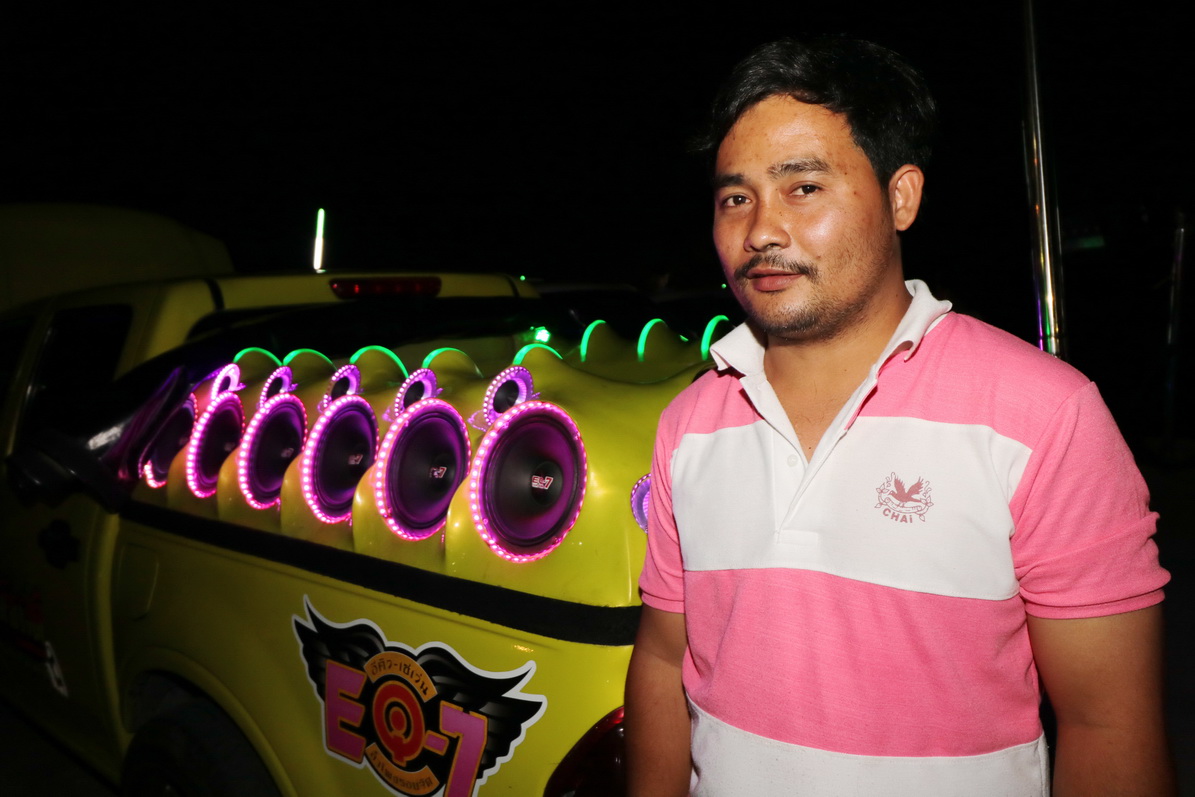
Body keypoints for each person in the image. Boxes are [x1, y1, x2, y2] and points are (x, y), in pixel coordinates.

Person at [625, 37, 1174, 796]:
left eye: (803, 187)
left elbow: (1107, 724)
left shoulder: (1044, 416)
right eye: (735, 198)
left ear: (901, 196)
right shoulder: (688, 424)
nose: (760, 231)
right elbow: (662, 658)